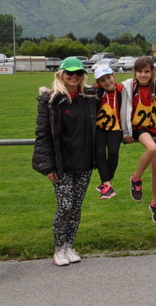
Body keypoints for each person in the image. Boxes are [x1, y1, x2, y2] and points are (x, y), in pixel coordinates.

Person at [32, 57, 97, 266]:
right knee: (65, 206)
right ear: (61, 74)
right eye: (70, 73)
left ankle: (69, 245)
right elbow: (43, 135)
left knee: (76, 207)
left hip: (84, 162)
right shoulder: (51, 101)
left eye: (78, 73)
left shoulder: (90, 97)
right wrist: (48, 166)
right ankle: (59, 248)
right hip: (62, 164)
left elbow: (115, 92)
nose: (74, 76)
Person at [121, 57, 156, 224]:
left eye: (147, 71)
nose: (143, 75)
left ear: (153, 72)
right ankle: (136, 178)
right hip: (140, 128)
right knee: (151, 148)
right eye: (140, 71)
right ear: (134, 72)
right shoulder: (130, 87)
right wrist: (126, 131)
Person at [94, 65, 123, 200]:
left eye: (108, 77)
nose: (107, 81)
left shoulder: (122, 90)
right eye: (102, 80)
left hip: (116, 128)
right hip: (99, 128)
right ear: (98, 83)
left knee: (113, 152)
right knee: (99, 153)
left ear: (114, 76)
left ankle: (106, 182)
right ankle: (107, 184)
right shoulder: (95, 92)